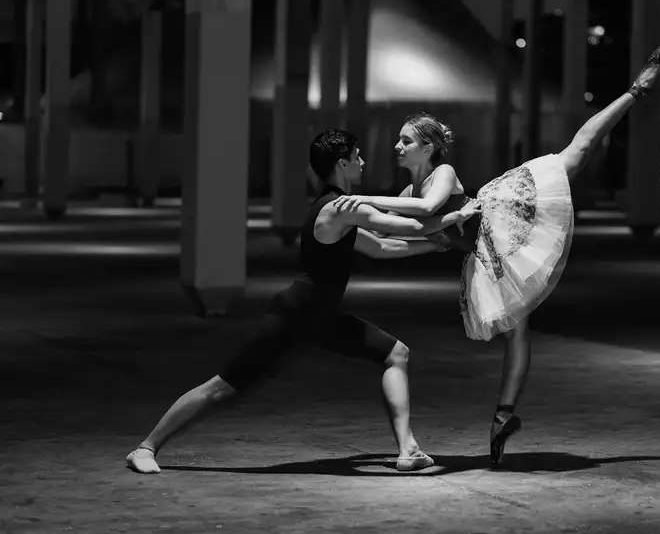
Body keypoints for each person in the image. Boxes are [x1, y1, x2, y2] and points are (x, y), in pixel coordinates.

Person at [332, 46, 660, 467]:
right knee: (519, 328)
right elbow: (391, 229)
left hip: (503, 217)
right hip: (483, 255)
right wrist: (339, 222)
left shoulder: (442, 174)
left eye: (406, 141)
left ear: (429, 148)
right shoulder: (405, 193)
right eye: (399, 140)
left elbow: (424, 211)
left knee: (577, 151)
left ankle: (636, 91)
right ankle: (503, 415)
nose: (397, 147)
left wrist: (359, 200)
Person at [126, 129, 480, 474]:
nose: (363, 162)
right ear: (342, 164)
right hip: (297, 313)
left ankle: (409, 450)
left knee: (395, 353)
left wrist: (437, 244)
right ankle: (145, 447)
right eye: (357, 157)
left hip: (320, 314)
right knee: (222, 387)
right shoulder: (340, 209)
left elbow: (381, 248)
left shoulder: (338, 210)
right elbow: (409, 228)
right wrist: (454, 218)